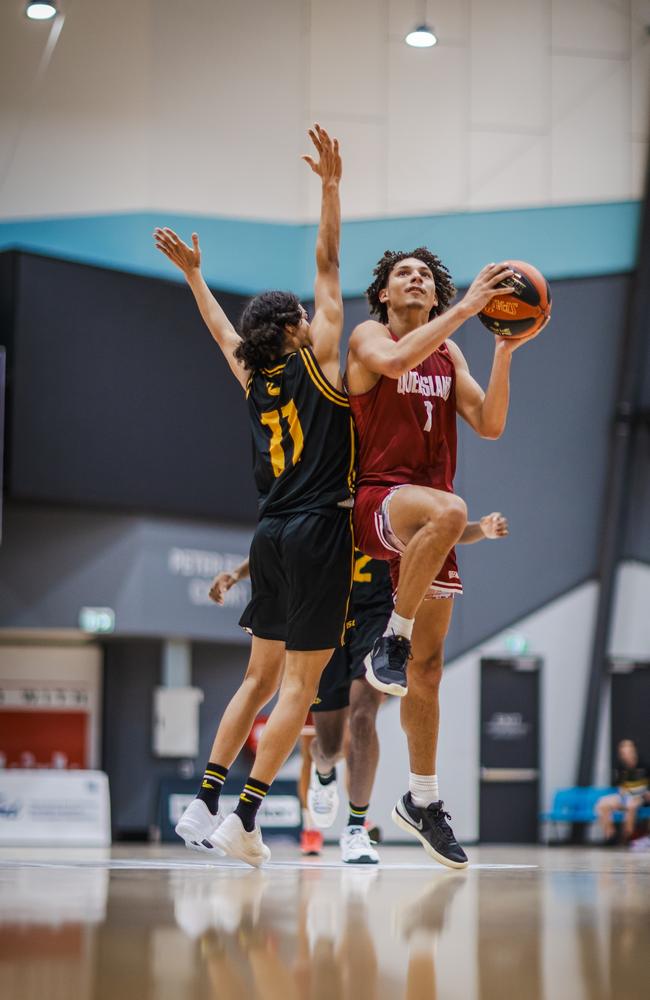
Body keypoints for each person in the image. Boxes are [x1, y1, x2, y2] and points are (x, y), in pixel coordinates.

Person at [154, 124, 354, 867]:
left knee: (257, 679)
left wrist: (195, 277)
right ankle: (245, 817)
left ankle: (203, 805)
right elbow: (330, 261)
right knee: (300, 686)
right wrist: (331, 188)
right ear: (296, 328)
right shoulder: (320, 358)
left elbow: (216, 328)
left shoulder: (255, 379)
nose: (316, 309)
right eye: (305, 310)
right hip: (317, 530)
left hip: (267, 536)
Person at [346, 248, 542, 868]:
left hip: (430, 518)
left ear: (434, 296)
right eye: (403, 273)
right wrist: (466, 307)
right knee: (454, 511)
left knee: (428, 675)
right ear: (383, 293)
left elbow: (489, 423)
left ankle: (422, 801)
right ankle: (392, 639)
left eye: (425, 276)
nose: (416, 278)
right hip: (381, 499)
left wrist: (505, 346)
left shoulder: (450, 351)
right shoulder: (370, 336)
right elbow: (398, 359)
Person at [307, 513, 509, 865]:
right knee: (328, 746)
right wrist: (241, 573)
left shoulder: (385, 494)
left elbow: (440, 526)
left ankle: (356, 828)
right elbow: (282, 538)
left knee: (363, 718)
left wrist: (481, 530)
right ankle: (322, 772)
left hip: (377, 614)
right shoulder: (325, 492)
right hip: (328, 614)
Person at [596, 739, 649, 844]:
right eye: (623, 753)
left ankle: (626, 838)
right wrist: (620, 797)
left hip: (640, 798)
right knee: (602, 804)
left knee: (631, 806)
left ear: (634, 751)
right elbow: (620, 787)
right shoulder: (620, 767)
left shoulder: (645, 765)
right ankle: (610, 836)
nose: (626, 755)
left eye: (629, 752)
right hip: (625, 796)